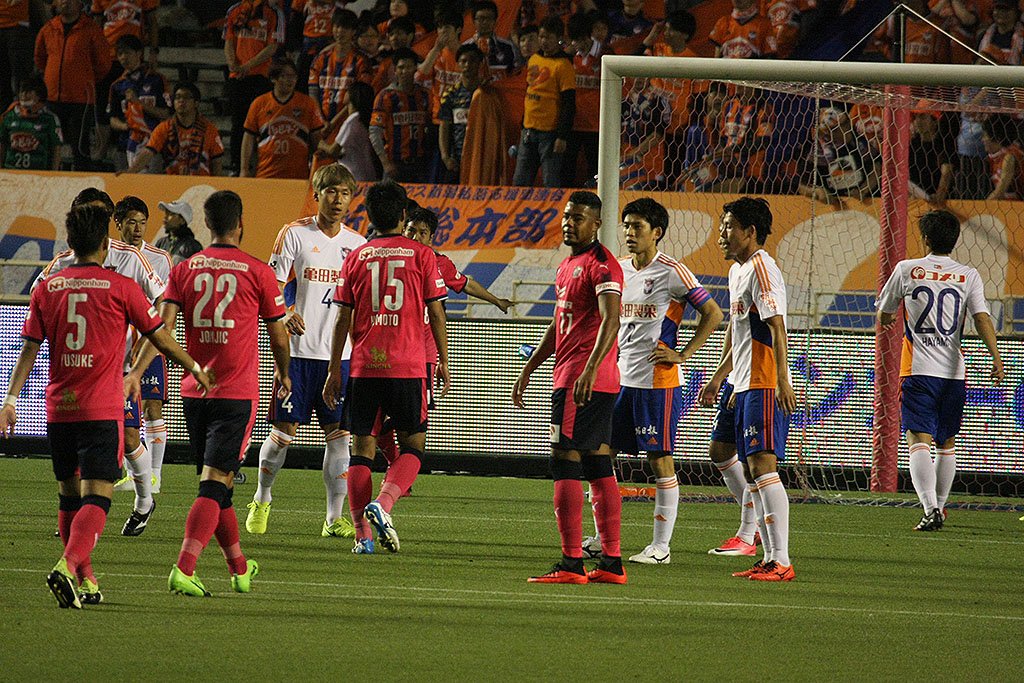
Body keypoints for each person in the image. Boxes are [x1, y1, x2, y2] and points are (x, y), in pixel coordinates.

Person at [1, 203, 209, 609]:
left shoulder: (47, 287)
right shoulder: (121, 287)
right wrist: (195, 368)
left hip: (58, 409)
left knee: (69, 497)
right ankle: (67, 566)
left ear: (69, 242)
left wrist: (9, 401)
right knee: (98, 496)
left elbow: (28, 348)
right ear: (104, 244)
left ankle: (87, 580)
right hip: (101, 409)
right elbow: (161, 337)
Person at [129, 190, 290, 597]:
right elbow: (279, 335)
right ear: (240, 223)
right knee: (215, 483)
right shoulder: (257, 271)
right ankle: (184, 567)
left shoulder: (184, 270)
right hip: (236, 393)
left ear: (207, 224)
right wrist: (285, 373)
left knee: (221, 486)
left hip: (194, 393)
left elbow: (161, 330)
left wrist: (136, 372)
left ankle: (239, 567)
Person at [322, 180, 450, 555]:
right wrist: (444, 360)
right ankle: (384, 503)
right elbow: (436, 312)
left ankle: (362, 537)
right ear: (403, 214)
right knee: (413, 446)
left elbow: (341, 319)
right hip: (408, 366)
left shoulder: (356, 257)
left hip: (364, 367)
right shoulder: (422, 255)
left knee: (361, 450)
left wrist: (334, 368)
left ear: (368, 216)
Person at [34, 188, 167, 537]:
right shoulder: (63, 261)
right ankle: (76, 521)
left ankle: (144, 501)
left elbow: (163, 300)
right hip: (76, 371)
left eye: (95, 214)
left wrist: (147, 344)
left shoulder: (130, 258)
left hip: (120, 366)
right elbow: (38, 297)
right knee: (77, 454)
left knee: (131, 436)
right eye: (83, 213)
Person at [246, 163, 366, 538]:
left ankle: (333, 519)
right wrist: (287, 312)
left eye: (344, 193)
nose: (337, 199)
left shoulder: (358, 245)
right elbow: (271, 284)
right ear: (317, 195)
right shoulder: (294, 233)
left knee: (340, 437)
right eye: (331, 191)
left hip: (339, 358)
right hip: (297, 355)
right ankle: (262, 497)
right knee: (282, 435)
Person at [600, 198, 723, 564]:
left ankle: (660, 548)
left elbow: (713, 313)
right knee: (602, 455)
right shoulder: (619, 269)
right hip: (620, 380)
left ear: (656, 232)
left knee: (660, 459)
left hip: (658, 382)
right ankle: (602, 537)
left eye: (637, 226)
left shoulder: (672, 271)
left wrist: (683, 354)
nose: (629, 232)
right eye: (626, 225)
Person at [512, 191, 626, 585]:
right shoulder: (568, 265)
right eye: (566, 216)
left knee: (564, 459)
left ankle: (572, 563)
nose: (568, 224)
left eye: (578, 218)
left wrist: (590, 368)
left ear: (596, 224)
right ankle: (611, 563)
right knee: (597, 463)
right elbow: (559, 323)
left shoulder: (602, 265)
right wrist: (530, 367)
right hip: (583, 377)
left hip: (582, 380)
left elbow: (612, 319)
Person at [877, 210, 1004, 531]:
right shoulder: (968, 275)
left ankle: (930, 508)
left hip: (918, 368)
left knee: (918, 437)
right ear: (955, 241)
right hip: (953, 372)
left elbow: (884, 312)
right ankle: (940, 508)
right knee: (946, 442)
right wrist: (996, 356)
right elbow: (981, 317)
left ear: (925, 239)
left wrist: (888, 318)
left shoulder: (907, 269)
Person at [699, 197, 797, 582]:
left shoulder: (762, 268)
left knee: (762, 466)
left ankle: (780, 559)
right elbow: (738, 330)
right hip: (741, 381)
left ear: (750, 232)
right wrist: (720, 376)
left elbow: (776, 326)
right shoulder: (737, 271)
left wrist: (782, 380)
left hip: (762, 380)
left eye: (728, 227)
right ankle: (762, 549)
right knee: (736, 460)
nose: (721, 235)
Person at [110, 196, 174, 503]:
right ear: (118, 224)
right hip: (118, 348)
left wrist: (158, 338)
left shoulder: (159, 258)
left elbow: (166, 302)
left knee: (151, 406)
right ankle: (133, 472)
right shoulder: (109, 255)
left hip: (147, 345)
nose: (137, 229)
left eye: (142, 223)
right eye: (131, 222)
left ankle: (155, 475)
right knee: (124, 414)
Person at [34, 0, 112, 171]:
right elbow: (39, 58)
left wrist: (85, 80)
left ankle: (82, 181)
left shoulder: (91, 29)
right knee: (49, 144)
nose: (66, 2)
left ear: (80, 4)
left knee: (80, 149)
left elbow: (103, 63)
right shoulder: (48, 28)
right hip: (52, 98)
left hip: (81, 100)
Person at [512, 16, 575, 188]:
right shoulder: (533, 59)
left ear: (558, 39)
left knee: (550, 182)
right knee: (520, 181)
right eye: (541, 37)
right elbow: (529, 91)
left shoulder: (563, 65)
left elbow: (568, 103)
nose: (544, 41)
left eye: (548, 37)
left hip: (550, 133)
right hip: (528, 129)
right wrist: (523, 123)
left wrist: (562, 136)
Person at [224, 0, 285, 173]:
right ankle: (237, 167)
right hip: (237, 77)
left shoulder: (274, 13)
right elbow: (228, 41)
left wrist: (247, 66)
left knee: (263, 125)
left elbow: (273, 46)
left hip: (261, 77)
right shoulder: (234, 10)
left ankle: (263, 166)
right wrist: (232, 64)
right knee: (238, 124)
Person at [241, 59, 325, 179]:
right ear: (273, 79)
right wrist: (244, 169)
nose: (290, 80)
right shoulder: (259, 104)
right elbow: (248, 137)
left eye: (293, 76)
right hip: (266, 175)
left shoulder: (308, 104)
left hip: (298, 176)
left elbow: (317, 138)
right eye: (285, 76)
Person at [122, 82, 225, 175]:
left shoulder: (209, 129)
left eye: (186, 97)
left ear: (196, 103)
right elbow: (148, 152)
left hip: (200, 184)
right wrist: (130, 172)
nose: (181, 101)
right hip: (172, 182)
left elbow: (217, 161)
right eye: (177, 97)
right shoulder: (164, 128)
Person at [107, 34, 170, 170]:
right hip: (125, 145)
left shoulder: (157, 80)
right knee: (125, 182)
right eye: (120, 54)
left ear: (139, 53)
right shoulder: (117, 85)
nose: (123, 57)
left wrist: (139, 103)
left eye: (127, 53)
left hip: (153, 145)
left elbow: (166, 114)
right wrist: (125, 126)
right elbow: (112, 118)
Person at [369, 47, 431, 182]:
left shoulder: (424, 95)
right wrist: (385, 163)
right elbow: (374, 132)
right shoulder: (386, 96)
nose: (405, 71)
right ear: (395, 70)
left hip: (419, 164)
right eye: (401, 67)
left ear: (415, 68)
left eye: (409, 67)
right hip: (395, 164)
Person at [437, 44, 486, 184]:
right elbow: (444, 127)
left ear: (480, 64)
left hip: (482, 158)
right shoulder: (450, 95)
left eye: (472, 61)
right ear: (458, 64)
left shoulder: (489, 93)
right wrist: (446, 157)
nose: (468, 65)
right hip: (457, 160)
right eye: (463, 61)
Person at [315, 80, 378, 181]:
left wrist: (319, 142)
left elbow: (333, 150)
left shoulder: (351, 121)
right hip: (365, 174)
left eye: (348, 91)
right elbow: (351, 151)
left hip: (355, 176)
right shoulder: (361, 119)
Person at [0, 76, 63, 170]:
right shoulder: (9, 116)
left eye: (28, 92)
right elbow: (2, 144)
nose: (24, 95)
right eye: (22, 92)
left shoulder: (50, 119)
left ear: (39, 95)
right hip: (11, 171)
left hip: (38, 173)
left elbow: (56, 148)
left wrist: (54, 173)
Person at [463, 0, 519, 80]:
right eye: (481, 19)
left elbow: (514, 74)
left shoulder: (508, 47)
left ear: (495, 21)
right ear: (474, 21)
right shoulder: (465, 47)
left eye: (489, 18)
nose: (485, 22)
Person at [710, 0, 777, 59]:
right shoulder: (723, 23)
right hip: (726, 69)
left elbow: (770, 60)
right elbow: (716, 59)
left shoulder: (765, 25)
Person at [0, 0, 34, 113]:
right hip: (12, 25)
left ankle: (24, 114)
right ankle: (5, 117)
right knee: (3, 80)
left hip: (18, 24)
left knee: (21, 77)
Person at [981, 113, 1024, 200]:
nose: (982, 140)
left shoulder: (1009, 157)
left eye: (985, 136)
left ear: (997, 138)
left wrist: (981, 206)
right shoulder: (996, 157)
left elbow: (1000, 191)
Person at [155, 199, 203, 265]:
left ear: (182, 220)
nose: (165, 217)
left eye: (171, 214)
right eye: (166, 213)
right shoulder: (161, 243)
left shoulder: (193, 246)